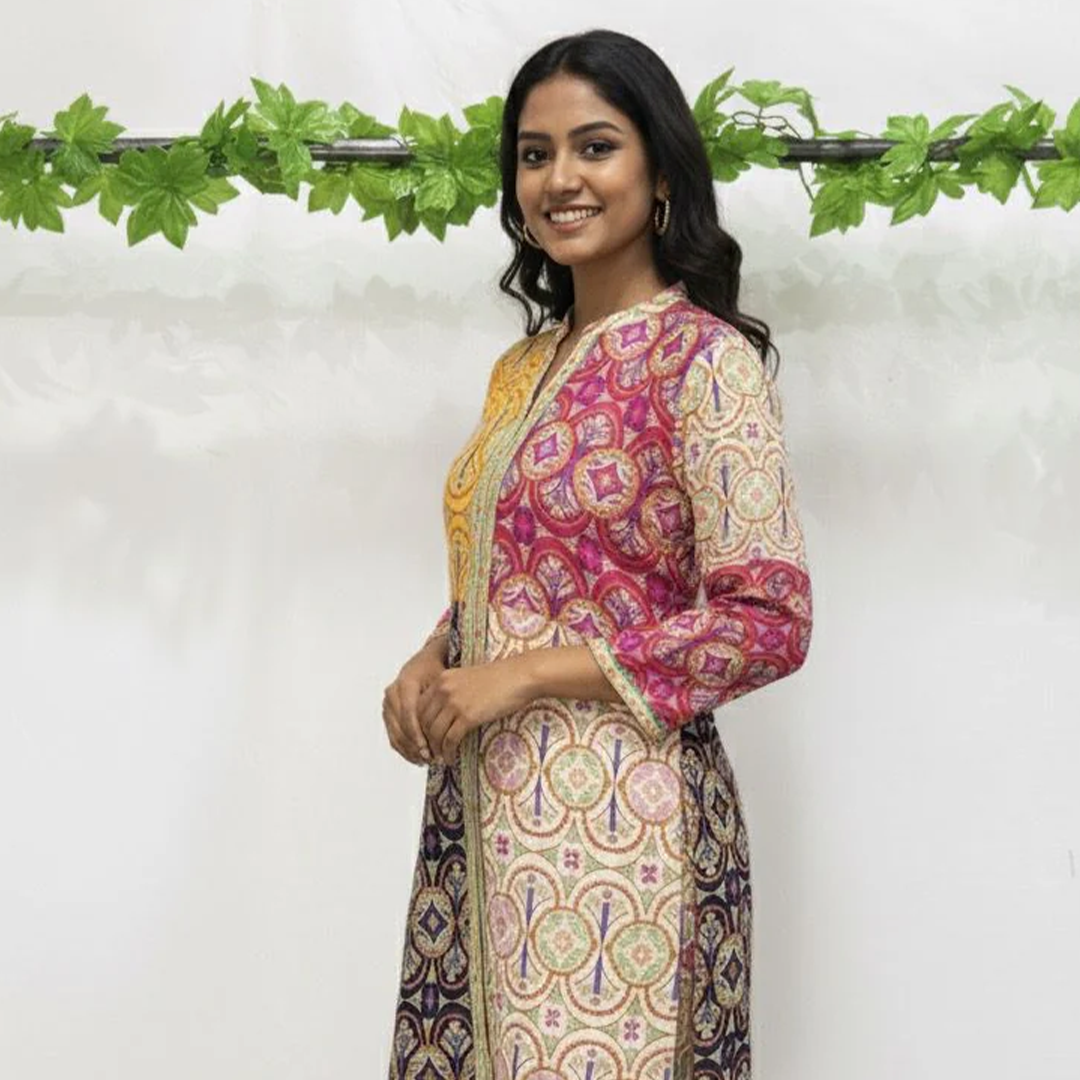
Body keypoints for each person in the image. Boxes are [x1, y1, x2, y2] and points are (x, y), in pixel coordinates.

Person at [382, 28, 813, 1080]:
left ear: (661, 172)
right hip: (484, 815)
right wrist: (435, 658)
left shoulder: (703, 361)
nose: (560, 179)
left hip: (627, 838)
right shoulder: (522, 367)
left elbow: (769, 621)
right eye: (535, 155)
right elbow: (517, 571)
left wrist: (524, 675)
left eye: (596, 146)